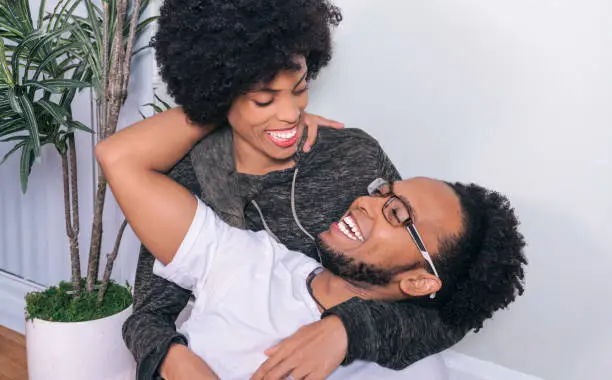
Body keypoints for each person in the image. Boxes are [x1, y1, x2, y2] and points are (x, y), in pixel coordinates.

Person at [123, 0, 464, 380]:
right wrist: (176, 359)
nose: (291, 112)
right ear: (219, 90)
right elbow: (147, 317)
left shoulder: (353, 155)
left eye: (299, 88)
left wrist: (344, 331)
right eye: (264, 97)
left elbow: (443, 304)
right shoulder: (195, 179)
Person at [97, 108, 527, 380]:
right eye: (382, 192)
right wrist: (229, 105)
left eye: (397, 213)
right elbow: (119, 158)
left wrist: (346, 328)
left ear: (418, 282)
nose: (367, 201)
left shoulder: (413, 366)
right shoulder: (251, 258)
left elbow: (451, 314)